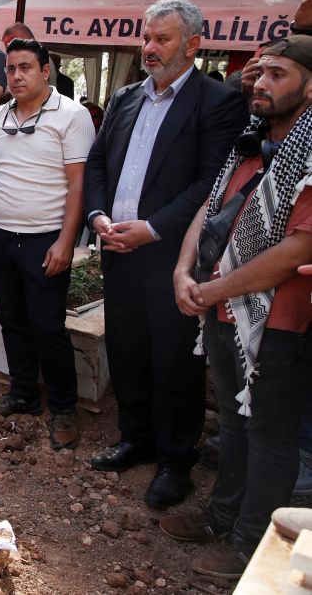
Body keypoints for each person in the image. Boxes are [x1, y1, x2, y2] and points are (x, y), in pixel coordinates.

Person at [83, 0, 247, 509]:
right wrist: (98, 218)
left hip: (172, 256)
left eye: (162, 39)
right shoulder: (126, 96)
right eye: (146, 38)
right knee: (128, 348)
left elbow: (210, 183)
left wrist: (152, 229)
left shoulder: (217, 102)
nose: (149, 48)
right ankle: (136, 438)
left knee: (175, 360)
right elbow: (96, 167)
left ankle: (177, 461)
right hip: (117, 248)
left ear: (193, 45)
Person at [159, 35, 312, 580]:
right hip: (222, 310)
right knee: (235, 422)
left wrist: (215, 289)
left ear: (309, 87)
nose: (262, 83)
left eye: (279, 75)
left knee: (270, 433)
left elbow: (298, 249)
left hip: (276, 322)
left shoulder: (307, 152)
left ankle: (250, 547)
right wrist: (183, 270)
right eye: (260, 72)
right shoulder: (250, 143)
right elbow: (210, 206)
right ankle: (224, 517)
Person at [0, 38, 95, 449]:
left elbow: (78, 186)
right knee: (12, 319)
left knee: (48, 326)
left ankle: (63, 409)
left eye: (25, 68)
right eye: (11, 69)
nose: (15, 76)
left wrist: (66, 243)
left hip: (44, 241)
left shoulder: (72, 116)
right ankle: (22, 393)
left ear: (45, 71)